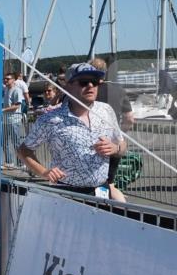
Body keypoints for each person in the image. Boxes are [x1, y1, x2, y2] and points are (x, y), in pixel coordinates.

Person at [18, 63, 127, 198]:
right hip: (66, 193)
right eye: (83, 82)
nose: (90, 86)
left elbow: (122, 145)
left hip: (101, 192)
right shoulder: (50, 119)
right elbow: (24, 150)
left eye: (94, 82)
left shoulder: (106, 110)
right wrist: (44, 172)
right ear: (68, 86)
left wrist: (115, 148)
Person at [90, 57, 134, 200]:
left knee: (96, 185)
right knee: (110, 184)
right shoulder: (118, 90)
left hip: (93, 142)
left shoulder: (87, 90)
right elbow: (129, 118)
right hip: (113, 141)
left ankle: (120, 213)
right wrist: (120, 135)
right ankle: (123, 211)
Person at [2, 72, 26, 168]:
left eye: (7, 79)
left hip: (14, 120)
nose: (5, 80)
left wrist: (3, 110)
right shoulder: (6, 89)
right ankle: (9, 162)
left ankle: (21, 163)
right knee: (4, 142)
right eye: (4, 79)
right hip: (6, 120)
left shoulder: (17, 90)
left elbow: (17, 105)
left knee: (16, 143)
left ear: (13, 80)